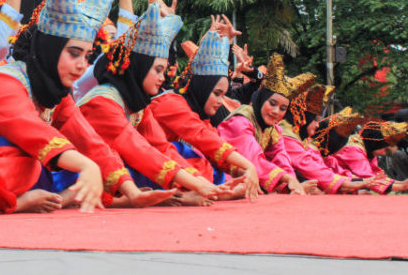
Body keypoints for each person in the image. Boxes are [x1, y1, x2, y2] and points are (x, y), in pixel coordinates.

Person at [0, 0, 176, 213]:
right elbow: (33, 131)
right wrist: (88, 167)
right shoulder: (5, 82)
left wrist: (132, 192)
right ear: (50, 50)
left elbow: (90, 142)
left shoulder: (56, 94)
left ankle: (65, 196)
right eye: (74, 54)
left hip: (3, 161)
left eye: (86, 56)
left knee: (62, 165)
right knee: (28, 164)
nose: (83, 65)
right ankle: (17, 203)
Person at [78, 1, 232, 205]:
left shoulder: (138, 105)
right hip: (77, 172)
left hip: (127, 166)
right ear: (139, 67)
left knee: (177, 157)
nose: (163, 77)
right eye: (157, 70)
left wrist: (199, 183)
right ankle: (126, 198)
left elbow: (161, 147)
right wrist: (199, 184)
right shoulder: (103, 101)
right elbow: (140, 149)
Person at [148, 16, 261, 199]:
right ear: (202, 87)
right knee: (180, 151)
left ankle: (218, 185)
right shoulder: (169, 102)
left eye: (223, 95)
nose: (220, 100)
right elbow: (200, 136)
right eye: (216, 93)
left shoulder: (200, 113)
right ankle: (217, 188)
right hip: (146, 163)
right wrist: (248, 166)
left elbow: (210, 139)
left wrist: (237, 169)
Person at [217, 53, 316, 195]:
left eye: (283, 108)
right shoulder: (241, 121)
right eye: (272, 103)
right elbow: (252, 159)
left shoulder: (274, 129)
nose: (276, 112)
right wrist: (287, 178)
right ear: (262, 99)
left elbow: (281, 159)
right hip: (218, 172)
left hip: (245, 175)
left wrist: (292, 184)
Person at [279, 85, 368, 193]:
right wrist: (356, 183)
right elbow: (310, 168)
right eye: (315, 120)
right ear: (304, 118)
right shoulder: (288, 135)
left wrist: (357, 182)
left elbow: (329, 171)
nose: (317, 125)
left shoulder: (303, 140)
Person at [319, 116, 408, 193]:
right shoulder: (354, 149)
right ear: (377, 144)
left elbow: (375, 175)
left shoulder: (369, 148)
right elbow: (368, 178)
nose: (384, 152)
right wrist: (401, 186)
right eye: (385, 148)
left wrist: (402, 183)